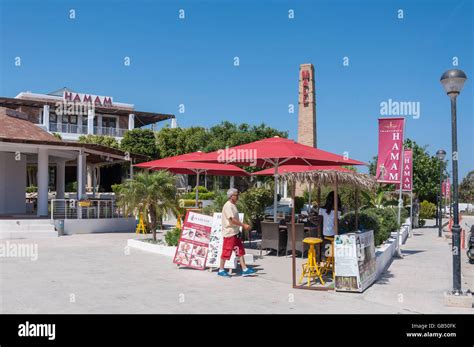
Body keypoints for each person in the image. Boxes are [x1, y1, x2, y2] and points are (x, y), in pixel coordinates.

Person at [218, 188, 256, 278]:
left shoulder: (233, 205)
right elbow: (232, 220)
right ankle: (221, 269)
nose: (238, 196)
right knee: (226, 251)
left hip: (235, 232)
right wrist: (243, 225)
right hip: (229, 233)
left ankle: (244, 269)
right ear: (231, 196)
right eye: (236, 195)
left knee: (240, 251)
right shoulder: (228, 206)